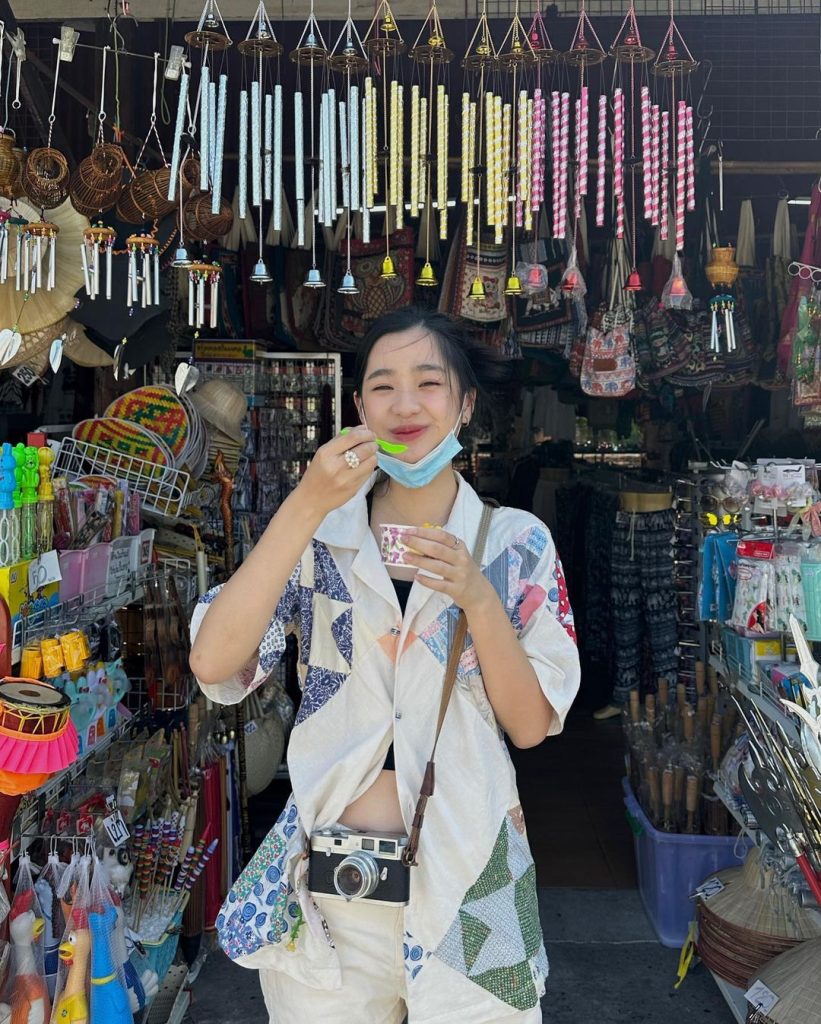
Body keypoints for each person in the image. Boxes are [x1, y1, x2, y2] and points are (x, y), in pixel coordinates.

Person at [189, 307, 581, 1024]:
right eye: (383, 386)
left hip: (472, 883)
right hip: (329, 895)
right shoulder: (318, 539)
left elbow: (529, 727)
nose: (405, 405)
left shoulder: (516, 544)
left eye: (428, 383)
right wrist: (307, 503)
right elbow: (215, 660)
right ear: (358, 407)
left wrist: (477, 599)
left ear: (464, 403)